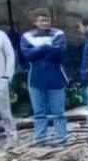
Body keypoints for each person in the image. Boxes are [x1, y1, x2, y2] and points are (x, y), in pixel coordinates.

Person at [19, 13, 68, 147]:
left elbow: (59, 53)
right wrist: (47, 48)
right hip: (36, 79)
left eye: (47, 20)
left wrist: (38, 51)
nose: (45, 23)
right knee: (39, 113)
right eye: (41, 21)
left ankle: (61, 140)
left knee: (59, 112)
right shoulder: (27, 36)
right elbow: (27, 55)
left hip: (56, 79)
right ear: (35, 22)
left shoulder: (58, 34)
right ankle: (41, 140)